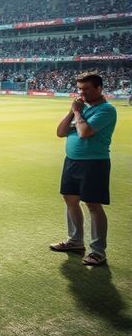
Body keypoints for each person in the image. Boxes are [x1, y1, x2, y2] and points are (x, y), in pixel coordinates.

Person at [50, 72, 117, 266]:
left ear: (99, 88)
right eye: (80, 88)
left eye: (87, 88)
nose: (82, 92)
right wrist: (72, 111)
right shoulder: (82, 109)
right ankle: (75, 241)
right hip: (72, 161)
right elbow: (60, 132)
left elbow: (85, 132)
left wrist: (78, 113)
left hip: (94, 163)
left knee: (93, 205)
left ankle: (97, 251)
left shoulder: (106, 110)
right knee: (70, 200)